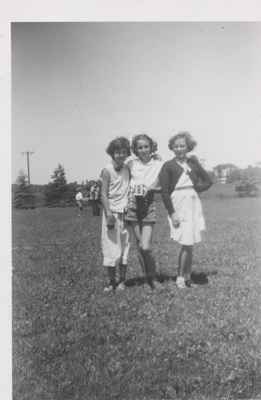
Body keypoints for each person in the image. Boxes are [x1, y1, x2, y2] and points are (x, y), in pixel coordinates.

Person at [159, 131, 212, 289]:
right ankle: (180, 278)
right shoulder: (168, 166)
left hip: (193, 203)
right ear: (172, 148)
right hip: (178, 204)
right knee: (186, 242)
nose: (179, 148)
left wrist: (196, 187)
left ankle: (187, 277)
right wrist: (172, 212)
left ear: (188, 147)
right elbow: (165, 192)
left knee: (190, 244)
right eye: (176, 146)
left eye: (182, 145)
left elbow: (208, 181)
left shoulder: (192, 163)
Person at [125, 134, 163, 290]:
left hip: (148, 204)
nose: (143, 150)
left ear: (151, 147)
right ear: (135, 150)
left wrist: (152, 188)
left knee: (146, 246)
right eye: (139, 147)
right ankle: (148, 278)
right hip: (133, 204)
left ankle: (153, 278)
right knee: (140, 245)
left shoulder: (159, 163)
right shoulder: (130, 164)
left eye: (146, 146)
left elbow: (161, 183)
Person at [100, 137, 131, 292]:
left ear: (127, 154)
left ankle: (122, 281)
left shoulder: (127, 168)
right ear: (112, 153)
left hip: (126, 213)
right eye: (117, 152)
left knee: (125, 246)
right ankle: (111, 281)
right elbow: (103, 194)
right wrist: (108, 213)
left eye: (124, 152)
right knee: (111, 248)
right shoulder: (107, 170)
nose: (120, 155)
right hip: (111, 214)